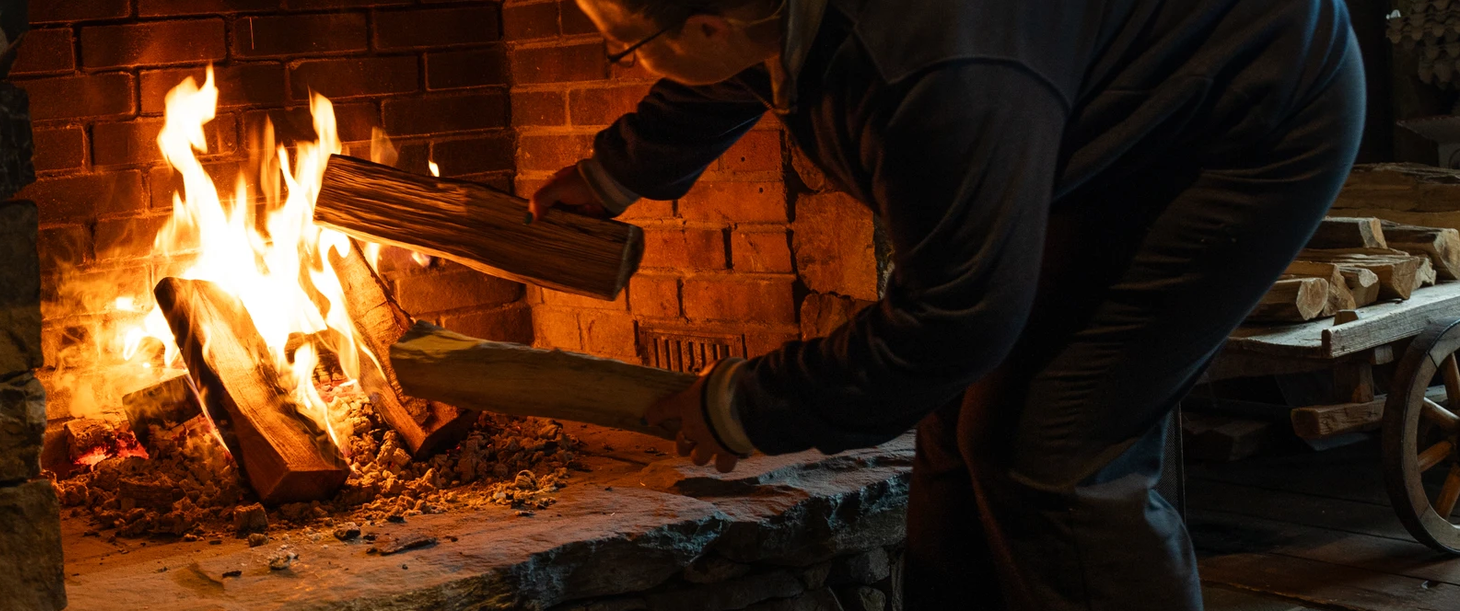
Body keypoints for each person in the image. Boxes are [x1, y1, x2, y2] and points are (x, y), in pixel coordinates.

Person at [526, 0, 1366, 608]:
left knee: (1050, 448)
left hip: (1248, 119)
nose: (629, 59)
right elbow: (735, 65)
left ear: (704, 24)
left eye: (623, 46)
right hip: (1083, 100)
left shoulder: (931, 70)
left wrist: (742, 406)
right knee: (959, 420)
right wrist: (611, 177)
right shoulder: (773, 17)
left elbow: (957, 318)